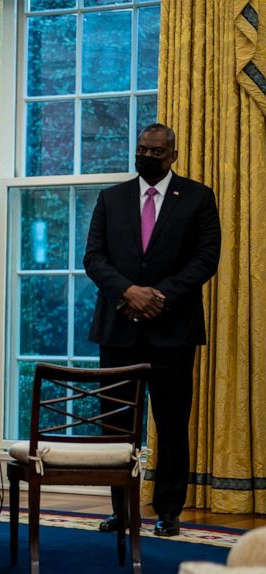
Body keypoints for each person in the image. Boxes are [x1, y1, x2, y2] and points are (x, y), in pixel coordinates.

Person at [83, 123, 221, 538]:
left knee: (173, 423)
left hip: (172, 330)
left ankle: (168, 511)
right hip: (118, 328)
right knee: (116, 426)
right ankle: (121, 510)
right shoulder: (112, 198)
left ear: (173, 155)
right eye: (142, 148)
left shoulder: (197, 197)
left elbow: (206, 258)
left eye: (156, 151)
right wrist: (128, 292)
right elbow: (94, 257)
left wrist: (157, 296)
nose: (147, 156)